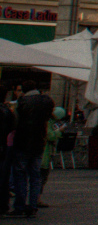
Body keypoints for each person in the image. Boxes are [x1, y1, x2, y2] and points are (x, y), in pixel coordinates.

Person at [9, 86, 52, 217]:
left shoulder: (22, 102)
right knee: (35, 176)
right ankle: (33, 205)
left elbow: (15, 121)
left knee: (20, 175)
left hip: (23, 142)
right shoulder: (47, 102)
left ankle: (20, 206)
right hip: (39, 143)